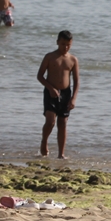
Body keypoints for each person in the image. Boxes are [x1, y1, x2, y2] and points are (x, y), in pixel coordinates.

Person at [37, 30, 79, 159]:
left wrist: (73, 99)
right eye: (62, 44)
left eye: (68, 44)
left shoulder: (73, 60)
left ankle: (61, 154)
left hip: (66, 93)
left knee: (63, 123)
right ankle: (44, 141)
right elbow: (40, 76)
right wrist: (50, 88)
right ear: (57, 42)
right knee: (50, 122)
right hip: (51, 92)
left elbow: (76, 81)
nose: (65, 47)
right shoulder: (50, 57)